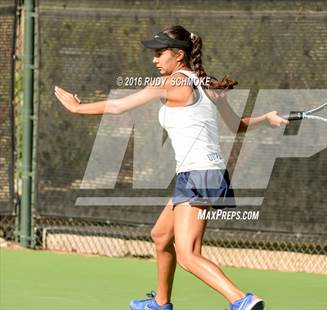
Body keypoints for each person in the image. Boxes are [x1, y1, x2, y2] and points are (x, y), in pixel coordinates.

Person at [54, 25, 288, 310]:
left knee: (188, 255)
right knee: (161, 236)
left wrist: (78, 108)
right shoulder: (206, 82)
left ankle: (242, 300)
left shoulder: (174, 84)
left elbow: (118, 107)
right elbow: (235, 125)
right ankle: (161, 303)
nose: (155, 59)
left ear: (178, 55)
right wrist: (267, 117)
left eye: (160, 53)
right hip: (200, 173)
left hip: (199, 174)